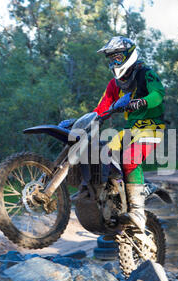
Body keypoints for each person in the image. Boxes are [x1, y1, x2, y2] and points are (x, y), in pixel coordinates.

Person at [71, 36, 166, 233]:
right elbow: (101, 109)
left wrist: (143, 102)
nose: (114, 63)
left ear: (129, 56)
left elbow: (158, 94)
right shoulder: (114, 85)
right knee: (103, 154)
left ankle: (138, 210)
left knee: (130, 158)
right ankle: (113, 199)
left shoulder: (145, 74)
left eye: (118, 58)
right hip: (130, 130)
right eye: (111, 59)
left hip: (152, 127)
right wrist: (81, 121)